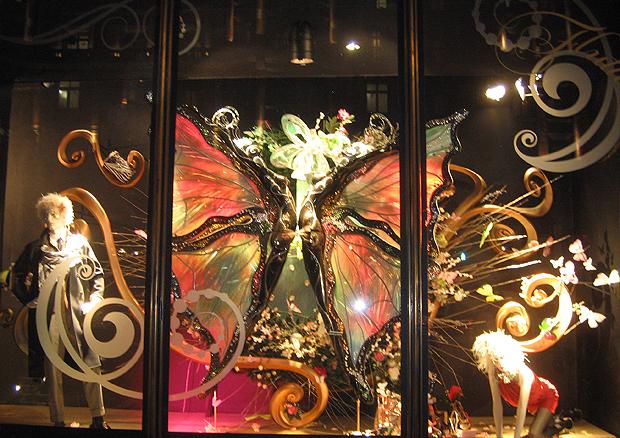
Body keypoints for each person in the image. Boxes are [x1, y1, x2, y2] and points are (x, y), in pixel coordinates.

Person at [11, 193, 110, 429]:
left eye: (54, 214)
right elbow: (15, 276)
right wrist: (29, 299)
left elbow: (96, 274)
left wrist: (95, 298)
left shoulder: (79, 245)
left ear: (65, 216)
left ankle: (98, 417)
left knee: (89, 361)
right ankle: (58, 420)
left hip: (76, 312)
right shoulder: (36, 249)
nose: (49, 219)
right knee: (52, 365)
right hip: (49, 314)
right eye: (46, 215)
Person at [472, 330, 558, 438]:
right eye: (496, 359)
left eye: (502, 357)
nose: (500, 363)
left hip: (546, 396)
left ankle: (556, 426)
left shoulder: (524, 374)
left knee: (534, 433)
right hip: (531, 403)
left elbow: (521, 408)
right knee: (540, 429)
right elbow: (497, 404)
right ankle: (556, 424)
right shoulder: (494, 372)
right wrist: (499, 436)